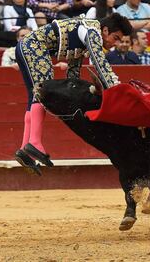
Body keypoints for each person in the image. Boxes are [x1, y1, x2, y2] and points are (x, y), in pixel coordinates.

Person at [14, 13, 133, 174]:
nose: (115, 44)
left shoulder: (83, 33)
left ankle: (24, 149)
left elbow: (73, 71)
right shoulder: (92, 32)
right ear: (105, 30)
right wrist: (115, 89)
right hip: (35, 47)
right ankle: (34, 142)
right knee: (43, 93)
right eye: (115, 37)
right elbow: (100, 63)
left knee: (33, 98)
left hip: (26, 47)